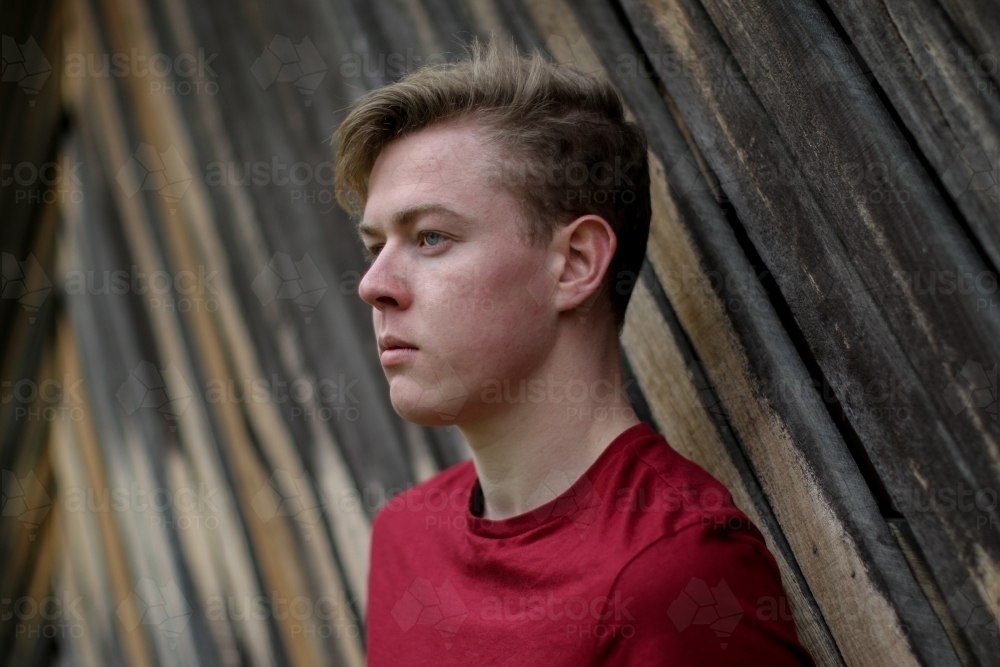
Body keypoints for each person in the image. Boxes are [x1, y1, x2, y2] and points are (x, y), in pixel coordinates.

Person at [333, 36, 814, 666]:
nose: (374, 286)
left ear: (576, 264)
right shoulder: (407, 536)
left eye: (430, 237)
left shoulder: (675, 572)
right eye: (376, 246)